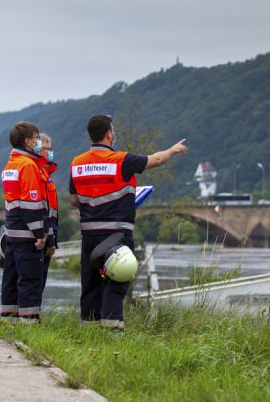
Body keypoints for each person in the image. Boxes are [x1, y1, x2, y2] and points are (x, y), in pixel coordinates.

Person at [70, 114, 188, 331]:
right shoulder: (121, 160)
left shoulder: (77, 163)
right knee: (117, 278)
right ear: (108, 134)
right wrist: (173, 150)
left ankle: (88, 331)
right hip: (116, 234)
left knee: (90, 283)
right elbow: (157, 159)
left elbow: (74, 200)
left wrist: (96, 202)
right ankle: (113, 329)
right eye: (112, 131)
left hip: (89, 235)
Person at [0, 121, 50, 324]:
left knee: (10, 279)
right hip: (27, 234)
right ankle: (29, 323)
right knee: (30, 280)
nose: (40, 142)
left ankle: (8, 321)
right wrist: (40, 234)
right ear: (28, 141)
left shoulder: (10, 164)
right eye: (37, 138)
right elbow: (31, 204)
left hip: (12, 231)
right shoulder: (28, 166)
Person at [36, 133, 58, 294]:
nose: (51, 152)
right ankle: (31, 317)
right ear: (40, 150)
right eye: (48, 149)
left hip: (46, 235)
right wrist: (50, 241)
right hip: (42, 237)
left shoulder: (46, 175)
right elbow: (45, 211)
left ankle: (32, 315)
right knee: (37, 281)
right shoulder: (40, 175)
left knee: (39, 282)